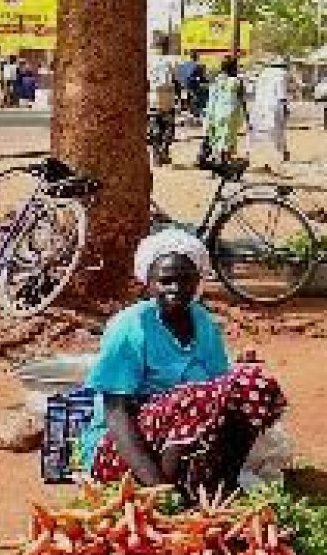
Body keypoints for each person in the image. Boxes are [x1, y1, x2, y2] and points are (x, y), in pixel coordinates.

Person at [82, 231, 286, 494]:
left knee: (254, 385)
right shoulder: (131, 327)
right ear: (148, 283)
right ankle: (176, 493)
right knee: (192, 401)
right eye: (166, 281)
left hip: (181, 443)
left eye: (186, 280)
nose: (176, 289)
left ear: (198, 281)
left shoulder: (203, 322)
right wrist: (159, 489)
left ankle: (222, 485)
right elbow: (116, 412)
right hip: (123, 454)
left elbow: (222, 395)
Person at [199, 57, 249, 168]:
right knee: (228, 140)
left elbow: (211, 98)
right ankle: (224, 164)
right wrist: (247, 116)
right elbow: (242, 99)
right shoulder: (236, 82)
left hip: (215, 113)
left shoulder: (215, 80)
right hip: (230, 115)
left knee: (217, 139)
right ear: (233, 69)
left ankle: (218, 163)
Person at [251, 57, 292, 167]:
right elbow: (281, 93)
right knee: (279, 130)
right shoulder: (282, 74)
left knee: (258, 131)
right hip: (275, 105)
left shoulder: (263, 73)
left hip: (259, 105)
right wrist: (285, 107)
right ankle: (282, 152)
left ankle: (253, 155)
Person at [176, 51, 209, 120]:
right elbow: (202, 79)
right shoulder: (198, 66)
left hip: (181, 86)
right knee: (204, 92)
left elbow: (178, 76)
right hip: (191, 87)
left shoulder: (183, 65)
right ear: (197, 57)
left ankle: (191, 110)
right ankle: (199, 111)